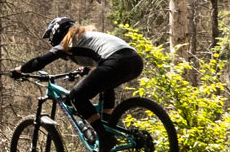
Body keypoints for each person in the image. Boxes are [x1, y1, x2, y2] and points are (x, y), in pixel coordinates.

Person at [10, 16, 144, 135]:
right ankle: (108, 126)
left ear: (56, 33)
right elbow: (99, 53)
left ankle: (104, 137)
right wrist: (85, 69)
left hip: (116, 61)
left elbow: (39, 62)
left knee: (76, 97)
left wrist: (19, 70)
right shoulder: (86, 36)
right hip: (135, 61)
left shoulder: (67, 42)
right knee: (106, 85)